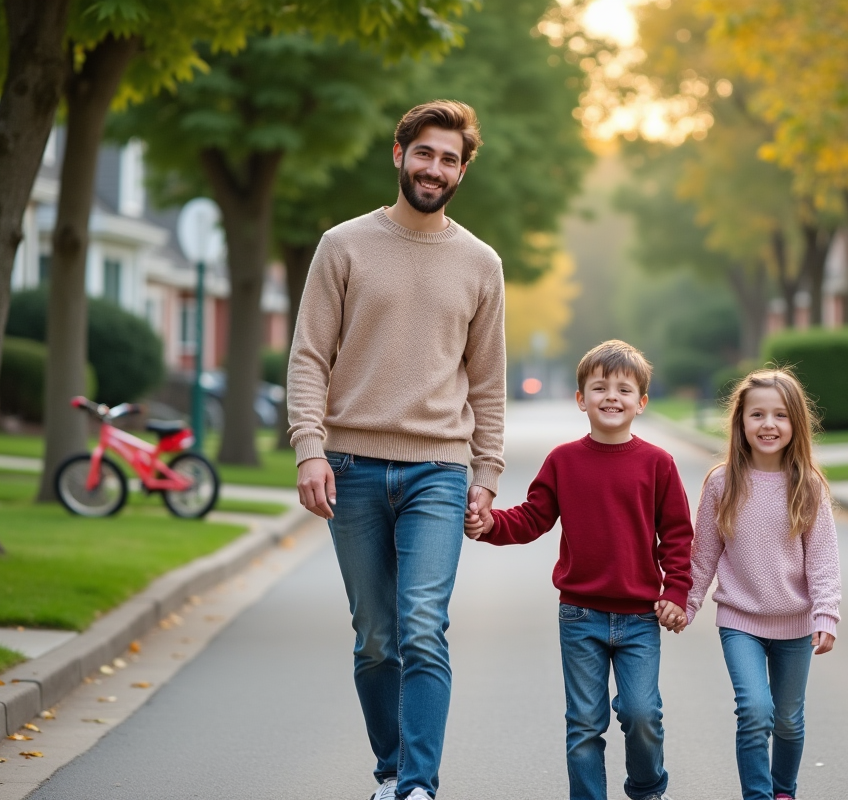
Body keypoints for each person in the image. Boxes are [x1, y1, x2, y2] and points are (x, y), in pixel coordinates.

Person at [286, 100, 506, 800]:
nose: (435, 168)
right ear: (399, 154)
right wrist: (309, 448)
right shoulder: (342, 246)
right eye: (425, 153)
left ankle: (417, 785)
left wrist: (487, 473)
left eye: (449, 159)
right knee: (376, 636)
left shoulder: (481, 263)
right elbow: (308, 358)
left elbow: (488, 382)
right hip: (349, 467)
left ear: (462, 171)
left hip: (438, 471)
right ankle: (389, 769)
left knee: (422, 627)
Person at [464, 340, 693, 800]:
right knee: (585, 724)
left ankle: (647, 788)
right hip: (580, 616)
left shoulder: (658, 465)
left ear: (641, 403)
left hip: (641, 618)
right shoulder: (563, 461)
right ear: (580, 399)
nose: (612, 396)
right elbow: (532, 518)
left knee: (641, 714)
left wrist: (677, 592)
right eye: (599, 387)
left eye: (624, 389)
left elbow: (678, 537)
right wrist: (490, 525)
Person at [685, 367, 841, 800]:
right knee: (755, 711)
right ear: (741, 422)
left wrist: (826, 612)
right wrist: (688, 601)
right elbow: (704, 553)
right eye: (757, 415)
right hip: (740, 621)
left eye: (779, 416)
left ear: (796, 424)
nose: (768, 425)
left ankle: (783, 791)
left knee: (789, 718)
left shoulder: (807, 486)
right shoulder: (722, 483)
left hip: (795, 622)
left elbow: (824, 559)